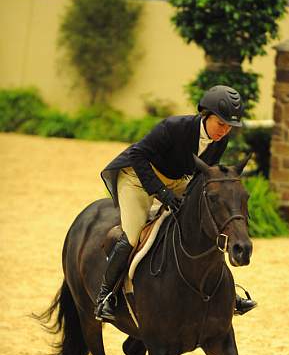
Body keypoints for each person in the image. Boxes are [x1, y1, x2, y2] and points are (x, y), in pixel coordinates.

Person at [95, 84, 257, 322]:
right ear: (206, 115)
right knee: (132, 235)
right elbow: (137, 155)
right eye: (221, 124)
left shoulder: (220, 140)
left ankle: (227, 293)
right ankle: (105, 296)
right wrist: (162, 193)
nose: (224, 131)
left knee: (203, 223)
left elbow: (202, 175)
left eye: (229, 126)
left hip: (176, 181)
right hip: (137, 177)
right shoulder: (173, 127)